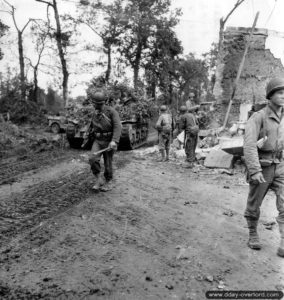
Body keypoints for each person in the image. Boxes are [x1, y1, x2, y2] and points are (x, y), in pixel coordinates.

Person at [243, 77, 284, 257]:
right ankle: (252, 233)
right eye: (280, 93)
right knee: (254, 203)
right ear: (270, 95)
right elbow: (249, 145)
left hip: (281, 165)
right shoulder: (258, 117)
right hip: (263, 165)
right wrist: (255, 169)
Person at [87, 89, 122, 192]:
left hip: (109, 140)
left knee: (108, 163)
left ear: (100, 103)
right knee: (92, 159)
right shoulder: (94, 113)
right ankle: (99, 180)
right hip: (98, 140)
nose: (93, 104)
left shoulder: (111, 112)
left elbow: (117, 126)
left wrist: (114, 141)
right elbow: (92, 126)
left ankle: (109, 181)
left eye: (95, 103)